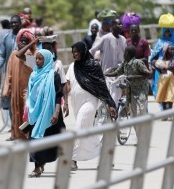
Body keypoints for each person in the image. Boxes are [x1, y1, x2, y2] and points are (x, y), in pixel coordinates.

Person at [63, 42, 116, 171]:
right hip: (76, 103)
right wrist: (64, 102)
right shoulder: (72, 67)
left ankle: (73, 160)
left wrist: (110, 104)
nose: (75, 54)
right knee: (87, 133)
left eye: (77, 51)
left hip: (90, 103)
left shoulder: (94, 66)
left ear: (83, 51)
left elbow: (102, 86)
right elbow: (68, 85)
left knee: (79, 127)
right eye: (73, 51)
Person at [24, 50, 65, 178]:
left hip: (49, 113)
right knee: (34, 139)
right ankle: (37, 166)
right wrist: (28, 110)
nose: (37, 61)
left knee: (46, 139)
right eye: (36, 59)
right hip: (35, 112)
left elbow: (58, 95)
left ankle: (41, 163)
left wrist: (56, 113)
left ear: (47, 60)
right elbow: (30, 95)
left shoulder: (53, 76)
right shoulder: (33, 75)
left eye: (40, 59)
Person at [6, 30, 38, 140]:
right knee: (16, 112)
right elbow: (9, 73)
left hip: (28, 90)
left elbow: (30, 64)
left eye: (25, 41)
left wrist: (28, 46)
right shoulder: (13, 55)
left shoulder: (30, 55)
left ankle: (30, 135)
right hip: (16, 89)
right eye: (21, 41)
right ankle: (19, 136)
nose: (21, 43)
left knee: (27, 112)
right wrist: (6, 89)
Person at [105, 45, 151, 118]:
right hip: (131, 91)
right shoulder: (125, 63)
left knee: (141, 110)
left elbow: (148, 74)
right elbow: (117, 72)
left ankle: (144, 125)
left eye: (125, 52)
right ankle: (138, 127)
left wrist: (134, 77)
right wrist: (105, 74)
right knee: (134, 112)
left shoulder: (138, 63)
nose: (123, 54)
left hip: (141, 91)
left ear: (127, 53)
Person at [90, 17, 127, 104]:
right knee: (111, 97)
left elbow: (126, 56)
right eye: (118, 24)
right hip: (107, 73)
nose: (121, 26)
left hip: (120, 73)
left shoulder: (123, 39)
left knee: (118, 98)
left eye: (121, 24)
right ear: (112, 26)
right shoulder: (105, 38)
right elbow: (91, 51)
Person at [0, 14, 22, 114]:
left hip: (23, 75)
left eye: (16, 22)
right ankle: (14, 126)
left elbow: (31, 54)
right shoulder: (6, 38)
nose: (14, 24)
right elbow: (1, 55)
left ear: (20, 24)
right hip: (9, 75)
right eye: (12, 22)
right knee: (10, 101)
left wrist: (32, 70)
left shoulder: (25, 36)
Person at [150, 14, 174, 98]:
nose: (167, 33)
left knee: (169, 94)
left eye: (168, 31)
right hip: (159, 69)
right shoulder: (160, 41)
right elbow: (153, 56)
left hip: (171, 68)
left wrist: (172, 61)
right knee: (160, 93)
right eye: (165, 31)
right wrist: (156, 62)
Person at [153, 44, 174, 111]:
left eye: (173, 49)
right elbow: (156, 66)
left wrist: (169, 69)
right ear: (165, 50)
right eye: (170, 49)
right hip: (163, 80)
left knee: (170, 95)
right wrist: (161, 69)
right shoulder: (161, 59)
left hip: (172, 80)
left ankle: (169, 111)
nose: (172, 51)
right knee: (163, 95)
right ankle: (164, 112)